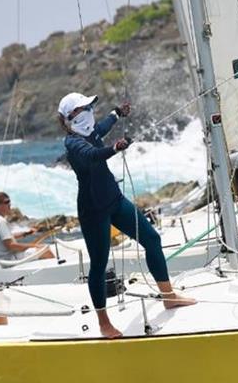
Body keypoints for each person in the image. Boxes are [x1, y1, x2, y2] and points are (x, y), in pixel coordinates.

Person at [57, 92, 195, 338]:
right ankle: (103, 323)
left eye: (90, 106)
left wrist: (117, 113)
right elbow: (92, 155)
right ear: (71, 116)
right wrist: (115, 148)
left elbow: (103, 126)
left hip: (114, 200)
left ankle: (168, 296)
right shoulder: (73, 144)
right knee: (99, 266)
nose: (90, 109)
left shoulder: (91, 132)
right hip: (93, 211)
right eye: (84, 107)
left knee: (152, 239)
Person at [0, 192, 55, 262]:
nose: (9, 204)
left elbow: (6, 238)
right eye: (6, 202)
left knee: (40, 248)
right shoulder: (0, 221)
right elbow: (11, 246)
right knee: (46, 251)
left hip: (1, 258)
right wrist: (33, 245)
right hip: (11, 258)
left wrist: (26, 233)